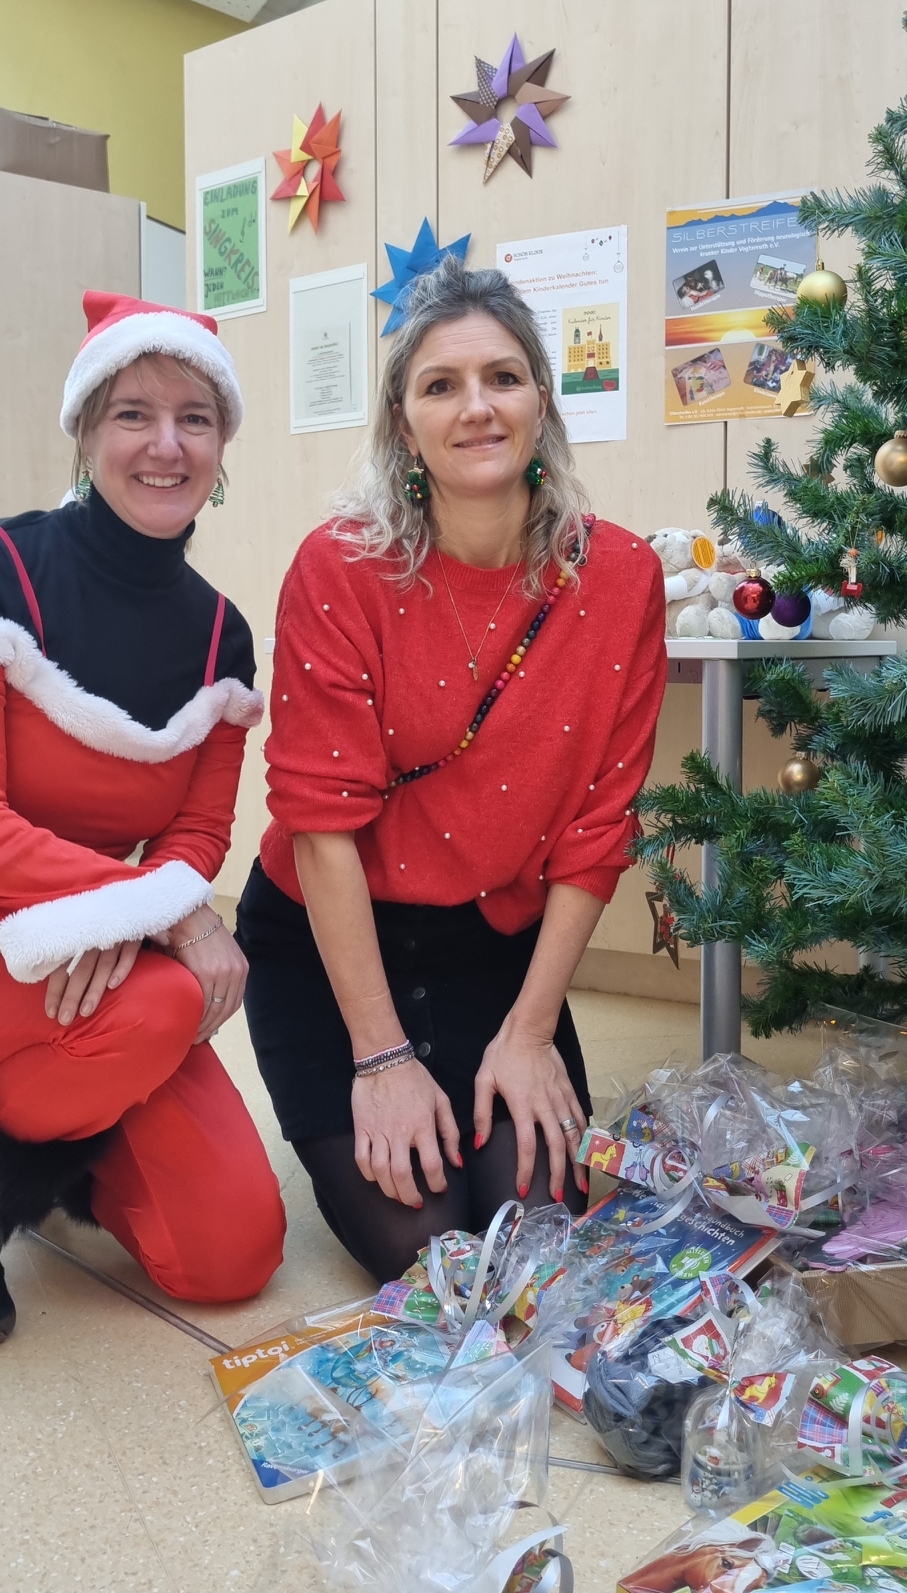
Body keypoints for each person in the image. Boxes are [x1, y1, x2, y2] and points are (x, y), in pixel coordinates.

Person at [237, 258, 666, 1283]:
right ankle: (357, 1086)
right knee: (423, 1245)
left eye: (503, 377)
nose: (477, 407)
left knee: (535, 1231)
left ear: (541, 402)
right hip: (329, 940)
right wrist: (382, 1058)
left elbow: (598, 832)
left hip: (491, 941)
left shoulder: (621, 578)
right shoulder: (340, 569)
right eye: (441, 385)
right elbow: (320, 824)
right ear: (404, 422)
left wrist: (531, 1033)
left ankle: (495, 1055)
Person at [0, 292, 286, 1341]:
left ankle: (76, 1130)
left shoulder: (221, 637)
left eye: (194, 418)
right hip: (29, 940)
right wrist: (162, 913)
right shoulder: (9, 568)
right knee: (165, 1003)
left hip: (104, 960)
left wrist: (129, 916)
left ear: (221, 446)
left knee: (230, 1253)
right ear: (85, 432)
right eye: (133, 413)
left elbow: (199, 833)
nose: (166, 445)